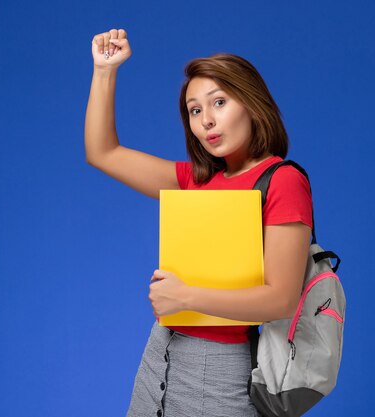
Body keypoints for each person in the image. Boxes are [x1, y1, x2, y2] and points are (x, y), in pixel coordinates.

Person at [85, 28, 312, 417]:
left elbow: (281, 298)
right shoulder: (197, 180)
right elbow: (102, 152)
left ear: (252, 104)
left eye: (219, 102)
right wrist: (105, 71)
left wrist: (185, 297)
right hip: (162, 353)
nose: (206, 120)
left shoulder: (283, 180)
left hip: (221, 368)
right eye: (194, 110)